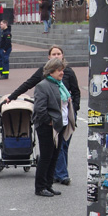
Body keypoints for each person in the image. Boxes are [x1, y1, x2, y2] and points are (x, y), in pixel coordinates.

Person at [3, 45, 81, 185]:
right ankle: (61, 175)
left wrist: (73, 110)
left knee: (62, 148)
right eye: (54, 54)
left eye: (59, 53)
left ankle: (56, 176)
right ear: (49, 57)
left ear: (63, 55)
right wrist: (13, 96)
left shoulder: (68, 73)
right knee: (54, 150)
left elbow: (76, 92)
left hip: (65, 118)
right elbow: (29, 85)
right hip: (52, 120)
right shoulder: (44, 77)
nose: (56, 56)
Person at [31, 58, 75, 197]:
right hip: (48, 127)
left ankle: (48, 185)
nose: (62, 72)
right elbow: (40, 108)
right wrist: (49, 122)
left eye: (62, 69)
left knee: (55, 156)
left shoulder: (59, 84)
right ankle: (40, 187)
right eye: (59, 70)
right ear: (51, 71)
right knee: (46, 156)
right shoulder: (43, 86)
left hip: (59, 125)